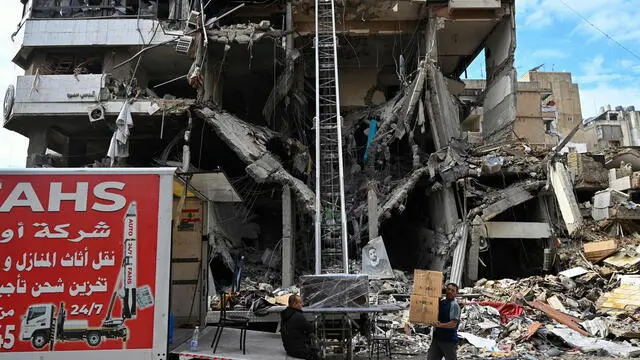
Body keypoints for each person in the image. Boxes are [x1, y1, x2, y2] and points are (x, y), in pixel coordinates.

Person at [427, 283, 461, 360]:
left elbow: (453, 324)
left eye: (453, 290)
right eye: (448, 289)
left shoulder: (454, 305)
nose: (450, 291)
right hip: (437, 340)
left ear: (456, 293)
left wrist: (439, 325)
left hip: (448, 341)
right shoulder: (441, 303)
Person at [280, 294, 317, 360]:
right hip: (298, 350)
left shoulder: (286, 314)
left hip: (289, 348)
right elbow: (311, 328)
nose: (302, 304)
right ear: (294, 304)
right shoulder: (297, 316)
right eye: (300, 302)